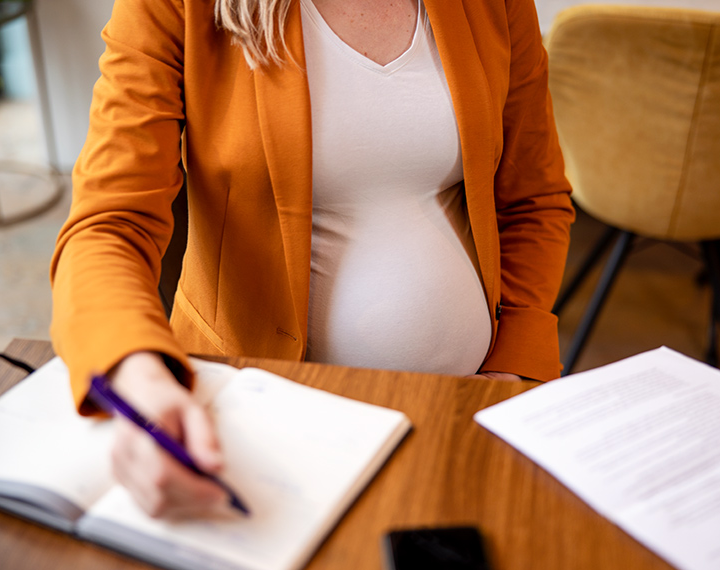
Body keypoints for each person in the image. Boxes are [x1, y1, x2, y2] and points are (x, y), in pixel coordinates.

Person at [51, 0, 574, 518]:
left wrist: (514, 364)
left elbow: (534, 198)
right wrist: (135, 377)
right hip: (263, 416)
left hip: (464, 406)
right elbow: (108, 225)